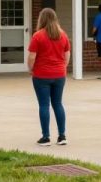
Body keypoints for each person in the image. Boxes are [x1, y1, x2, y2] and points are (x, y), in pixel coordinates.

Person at [27, 8, 70, 146]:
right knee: (58, 104)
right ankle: (62, 136)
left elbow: (32, 56)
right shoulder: (63, 35)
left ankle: (46, 137)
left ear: (42, 19)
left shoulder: (38, 36)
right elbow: (67, 54)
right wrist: (62, 67)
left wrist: (30, 68)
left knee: (44, 105)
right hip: (59, 75)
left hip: (41, 75)